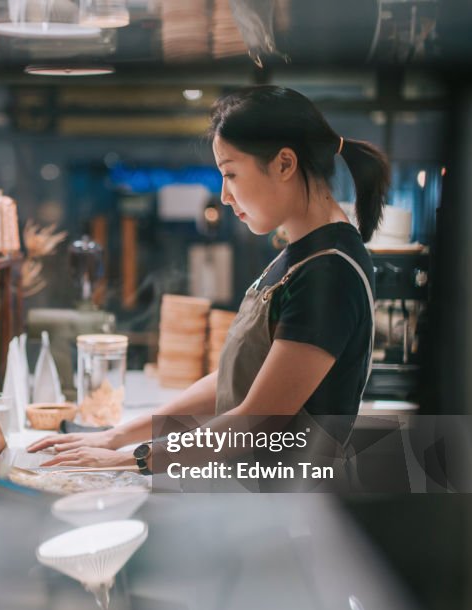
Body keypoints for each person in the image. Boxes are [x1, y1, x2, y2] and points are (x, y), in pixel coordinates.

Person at [30, 85, 390, 469]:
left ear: (285, 164)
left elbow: (258, 420)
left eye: (230, 173)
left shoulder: (329, 272)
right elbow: (232, 381)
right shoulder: (302, 255)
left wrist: (130, 460)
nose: (224, 196)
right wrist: (117, 436)